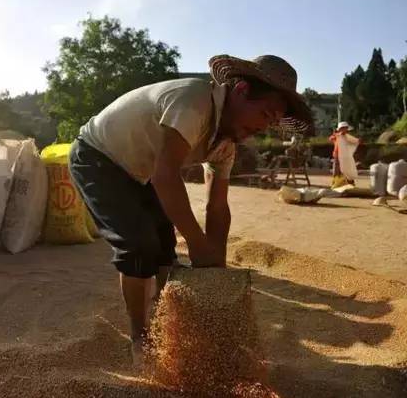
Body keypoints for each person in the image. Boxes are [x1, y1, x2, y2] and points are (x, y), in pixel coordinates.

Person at [68, 55, 313, 364]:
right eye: (264, 113)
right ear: (240, 90)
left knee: (165, 249)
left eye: (271, 121)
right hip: (97, 157)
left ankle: (165, 328)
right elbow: (166, 175)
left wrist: (216, 267)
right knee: (139, 244)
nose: (262, 127)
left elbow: (217, 205)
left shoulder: (225, 144)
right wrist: (198, 244)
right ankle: (140, 337)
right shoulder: (195, 102)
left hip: (140, 171)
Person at [329, 121, 360, 188]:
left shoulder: (347, 137)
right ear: (340, 129)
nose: (344, 130)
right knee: (336, 170)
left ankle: (349, 183)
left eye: (345, 128)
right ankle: (335, 183)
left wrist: (357, 141)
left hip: (346, 156)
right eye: (343, 128)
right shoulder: (336, 136)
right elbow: (330, 139)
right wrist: (337, 136)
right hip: (337, 155)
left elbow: (356, 141)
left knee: (347, 169)